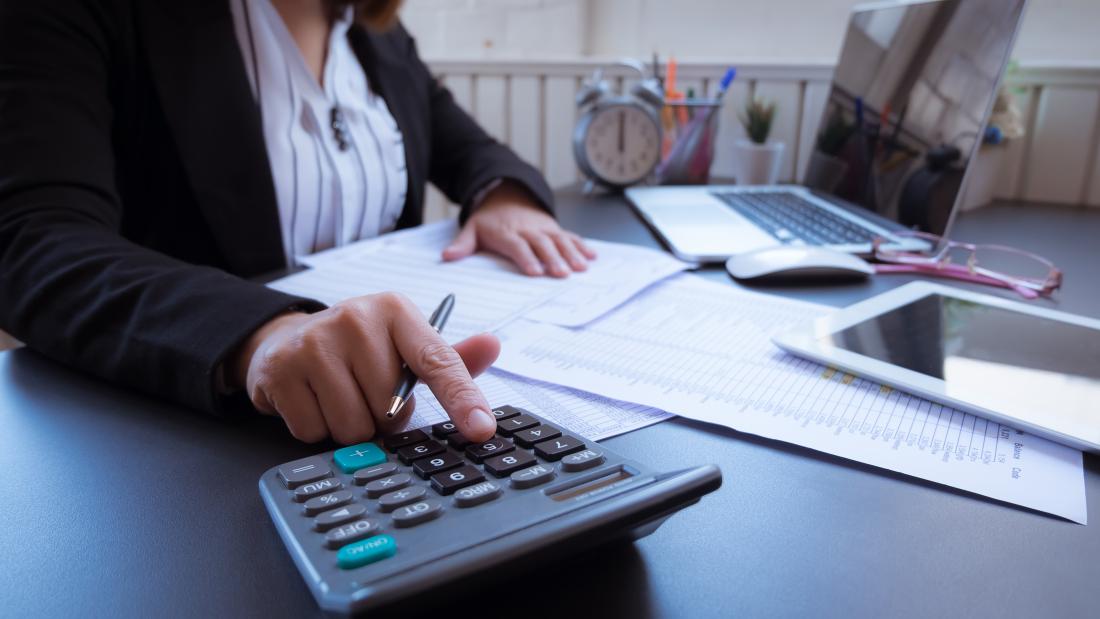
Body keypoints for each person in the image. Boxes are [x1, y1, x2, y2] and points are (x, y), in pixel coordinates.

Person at [0, 0, 595, 446]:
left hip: (383, 434)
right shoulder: (87, 13)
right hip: (184, 447)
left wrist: (503, 195)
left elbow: (464, 145)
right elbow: (32, 238)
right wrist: (258, 335)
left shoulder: (370, 31)